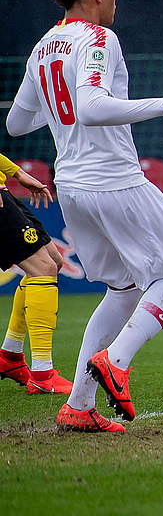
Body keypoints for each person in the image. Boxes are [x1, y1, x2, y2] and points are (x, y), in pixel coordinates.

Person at [7, 0, 163, 433]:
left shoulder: (42, 48)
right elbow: (94, 105)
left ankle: (79, 406)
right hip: (113, 179)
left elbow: (16, 124)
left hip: (72, 187)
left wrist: (60, 113)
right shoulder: (99, 38)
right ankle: (117, 360)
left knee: (122, 289)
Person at [0, 154, 74, 395]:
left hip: (4, 191)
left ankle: (10, 356)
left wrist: (17, 173)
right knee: (43, 268)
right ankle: (43, 374)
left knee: (53, 261)